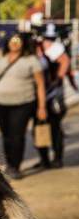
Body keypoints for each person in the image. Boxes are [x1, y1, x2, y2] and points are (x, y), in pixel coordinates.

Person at [0, 33, 46, 179]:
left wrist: (42, 107)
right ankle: (9, 163)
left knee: (17, 136)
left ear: (23, 43)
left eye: (18, 41)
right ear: (7, 42)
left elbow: (40, 85)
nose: (14, 43)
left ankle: (15, 166)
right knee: (7, 136)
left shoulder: (31, 60)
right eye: (12, 40)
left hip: (23, 103)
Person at [35, 24, 69, 168]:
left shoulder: (57, 48)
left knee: (55, 126)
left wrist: (58, 79)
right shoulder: (37, 47)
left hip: (53, 93)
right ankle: (44, 159)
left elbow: (64, 62)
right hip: (39, 93)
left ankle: (57, 158)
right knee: (39, 126)